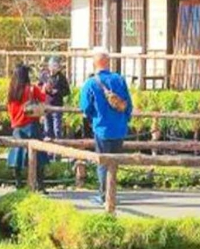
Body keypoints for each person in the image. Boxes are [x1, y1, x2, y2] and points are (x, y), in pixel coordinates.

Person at [78, 50, 132, 205]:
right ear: (108, 62)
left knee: (102, 163)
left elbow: (85, 107)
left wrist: (91, 119)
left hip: (102, 128)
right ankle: (112, 194)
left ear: (94, 63)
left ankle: (104, 196)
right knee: (115, 163)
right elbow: (128, 105)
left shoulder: (90, 83)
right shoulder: (119, 80)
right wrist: (125, 119)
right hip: (120, 128)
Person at [6, 64, 49, 187]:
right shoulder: (31, 89)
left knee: (17, 154)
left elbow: (10, 109)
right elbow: (42, 98)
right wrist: (44, 89)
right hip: (31, 124)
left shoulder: (11, 91)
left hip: (17, 126)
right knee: (39, 155)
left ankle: (18, 182)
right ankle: (40, 184)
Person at [39, 57, 71, 140]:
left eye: (55, 66)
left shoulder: (61, 77)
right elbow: (38, 87)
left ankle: (58, 151)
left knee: (57, 129)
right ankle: (48, 152)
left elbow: (67, 91)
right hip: (46, 105)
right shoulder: (44, 75)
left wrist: (57, 91)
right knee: (47, 129)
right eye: (52, 66)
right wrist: (44, 88)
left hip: (57, 106)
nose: (53, 69)